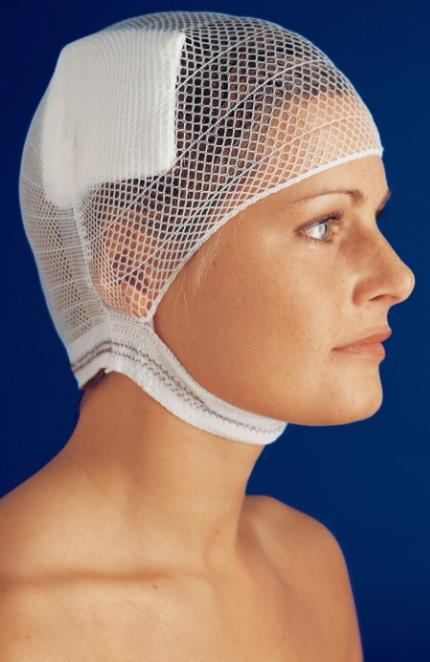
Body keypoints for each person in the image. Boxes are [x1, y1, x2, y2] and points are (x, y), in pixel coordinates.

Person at [0, 10, 415, 661]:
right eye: (323, 224)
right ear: (133, 269)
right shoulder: (21, 620)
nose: (398, 278)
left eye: (376, 218)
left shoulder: (307, 563)